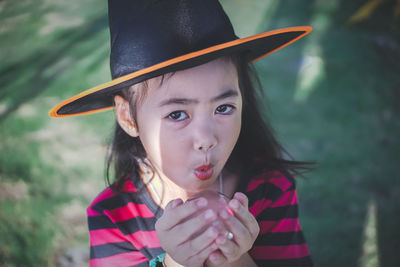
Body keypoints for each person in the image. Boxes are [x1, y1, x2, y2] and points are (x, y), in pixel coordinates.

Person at [49, 0, 313, 266]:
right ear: (128, 117)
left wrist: (234, 258)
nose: (206, 139)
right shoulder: (113, 216)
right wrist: (174, 262)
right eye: (176, 114)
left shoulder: (271, 189)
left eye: (223, 108)